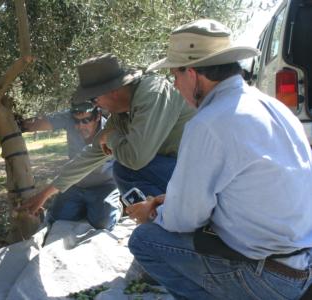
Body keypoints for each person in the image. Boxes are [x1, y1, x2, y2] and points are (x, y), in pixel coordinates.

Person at [127, 19, 312, 299]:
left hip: (270, 278)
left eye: (175, 75)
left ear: (191, 73)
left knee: (145, 240)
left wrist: (151, 212)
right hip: (300, 264)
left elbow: (183, 220)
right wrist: (166, 200)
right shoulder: (271, 105)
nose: (175, 85)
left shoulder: (209, 122)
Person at [20, 53, 195, 219]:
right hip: (174, 170)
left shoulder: (152, 94)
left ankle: (172, 221)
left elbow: (136, 158)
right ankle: (160, 218)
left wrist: (111, 138)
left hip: (197, 174)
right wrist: (45, 194)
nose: (97, 106)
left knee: (126, 168)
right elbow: (92, 153)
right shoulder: (121, 114)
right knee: (123, 168)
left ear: (112, 91)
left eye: (94, 100)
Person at [21, 101, 121, 230]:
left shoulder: (109, 132)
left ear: (98, 116)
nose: (80, 126)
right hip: (74, 186)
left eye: (86, 120)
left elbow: (81, 166)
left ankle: (115, 205)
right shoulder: (70, 119)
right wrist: (17, 124)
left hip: (104, 187)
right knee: (57, 220)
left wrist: (44, 194)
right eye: (76, 121)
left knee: (103, 223)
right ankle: (84, 207)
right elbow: (40, 122)